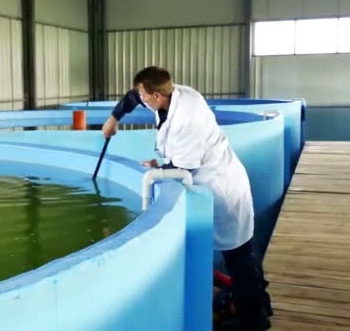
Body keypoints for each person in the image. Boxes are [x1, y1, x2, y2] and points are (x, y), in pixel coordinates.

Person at [102, 66, 272, 330]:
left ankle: (255, 320)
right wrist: (113, 120)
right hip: (208, 181)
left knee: (239, 256)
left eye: (145, 96)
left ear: (157, 95)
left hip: (222, 185)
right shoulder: (168, 96)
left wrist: (156, 169)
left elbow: (185, 169)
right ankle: (257, 304)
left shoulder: (186, 118)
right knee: (241, 254)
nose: (141, 99)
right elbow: (132, 98)